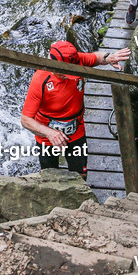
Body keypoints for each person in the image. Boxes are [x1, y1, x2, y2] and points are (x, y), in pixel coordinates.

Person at [20, 39, 130, 180]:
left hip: (76, 130)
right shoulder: (39, 81)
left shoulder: (75, 60)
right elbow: (25, 119)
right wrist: (50, 133)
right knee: (48, 177)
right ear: (53, 65)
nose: (69, 75)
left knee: (81, 175)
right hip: (47, 136)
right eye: (65, 72)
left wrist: (108, 57)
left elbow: (95, 58)